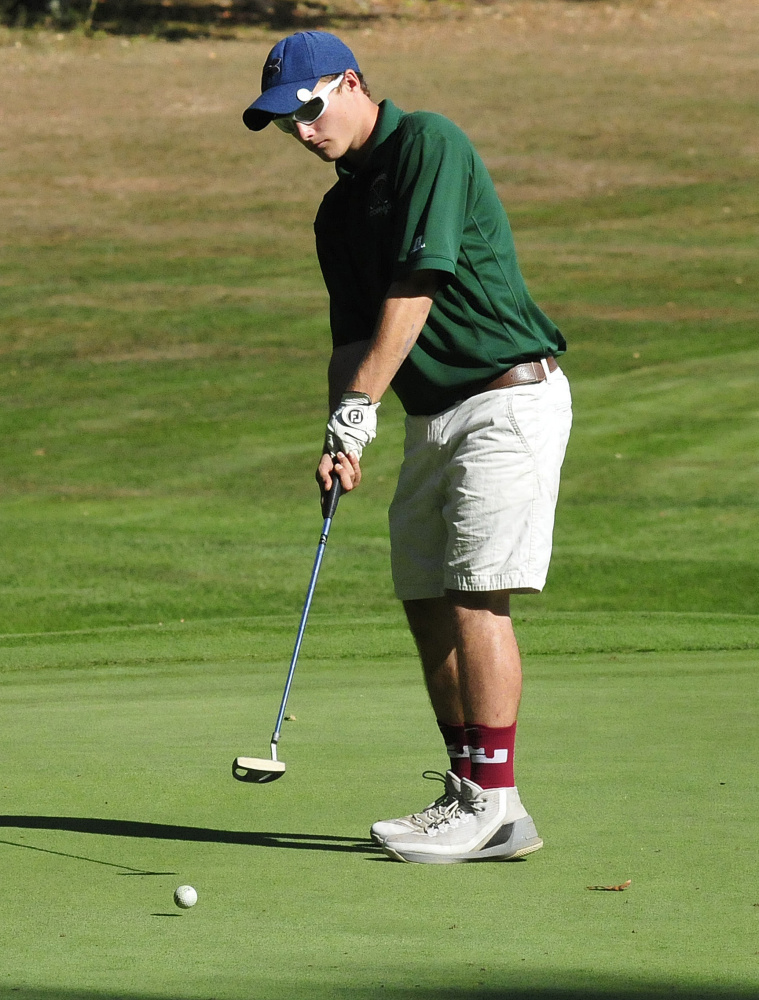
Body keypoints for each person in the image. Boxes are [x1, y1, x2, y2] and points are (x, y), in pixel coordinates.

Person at [243, 30, 572, 864]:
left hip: (506, 400)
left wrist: (362, 406)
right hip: (434, 417)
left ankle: (493, 801)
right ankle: (473, 795)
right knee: (426, 595)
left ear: (349, 83)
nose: (303, 133)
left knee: (472, 595)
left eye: (309, 111)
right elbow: (352, 339)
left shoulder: (428, 142)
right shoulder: (337, 210)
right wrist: (339, 428)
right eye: (287, 124)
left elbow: (416, 285)